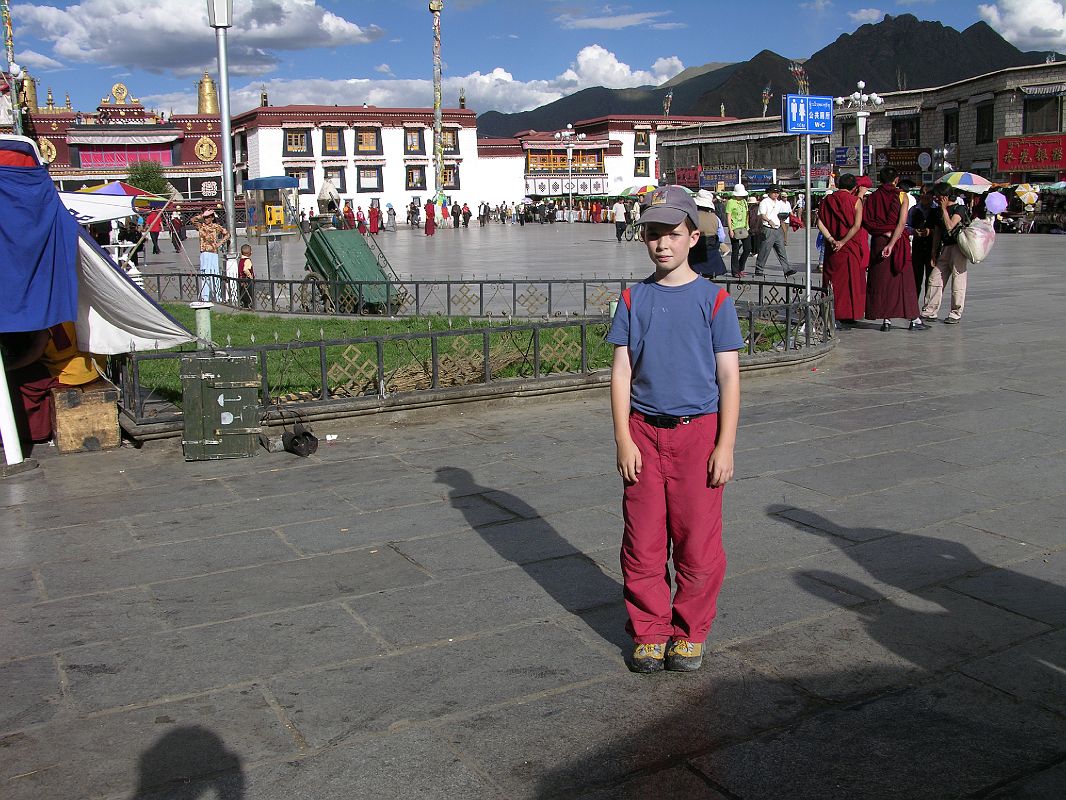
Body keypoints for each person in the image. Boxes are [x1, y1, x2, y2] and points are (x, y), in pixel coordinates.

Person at [607, 186, 744, 674]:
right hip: (643, 432)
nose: (661, 243)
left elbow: (728, 376)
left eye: (671, 233)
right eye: (652, 234)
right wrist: (623, 437)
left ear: (692, 237)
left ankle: (689, 631)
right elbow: (621, 371)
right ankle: (650, 629)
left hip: (698, 434)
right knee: (641, 540)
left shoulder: (715, 300)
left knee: (697, 541)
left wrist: (724, 446)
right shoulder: (632, 298)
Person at [3, 322, 101, 447]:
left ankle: (36, 432)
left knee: (19, 381)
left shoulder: (49, 321)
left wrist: (9, 367)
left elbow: (35, 353)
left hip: (73, 373)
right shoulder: (75, 311)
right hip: (95, 368)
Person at [863, 167, 927, 331]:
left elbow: (867, 222)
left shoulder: (872, 198)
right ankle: (913, 319)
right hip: (898, 242)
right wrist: (892, 243)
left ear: (880, 179)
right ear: (896, 180)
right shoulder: (901, 195)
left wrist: (883, 233)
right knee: (904, 282)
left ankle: (886, 320)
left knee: (882, 281)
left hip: (879, 242)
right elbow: (901, 222)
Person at [817, 175, 866, 327]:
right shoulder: (855, 201)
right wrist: (843, 242)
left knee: (833, 280)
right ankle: (849, 314)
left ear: (838, 185)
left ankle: (830, 312)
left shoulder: (827, 201)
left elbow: (819, 222)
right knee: (850, 280)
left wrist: (832, 239)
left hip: (833, 248)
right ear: (854, 188)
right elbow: (857, 226)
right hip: (849, 246)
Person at [921, 182, 972, 324]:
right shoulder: (936, 211)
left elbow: (950, 226)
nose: (936, 199)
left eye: (938, 196)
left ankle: (956, 312)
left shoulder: (959, 208)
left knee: (958, 280)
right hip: (945, 248)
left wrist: (944, 209)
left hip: (958, 248)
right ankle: (930, 310)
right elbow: (937, 232)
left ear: (945, 196)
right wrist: (933, 252)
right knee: (934, 278)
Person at [754, 186, 796, 277]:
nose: (776, 194)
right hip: (768, 228)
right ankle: (759, 269)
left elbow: (780, 214)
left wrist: (784, 218)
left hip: (778, 228)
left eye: (777, 193)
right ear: (769, 193)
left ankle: (787, 269)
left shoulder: (779, 203)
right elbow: (762, 214)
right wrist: (769, 221)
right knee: (765, 250)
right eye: (774, 192)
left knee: (782, 250)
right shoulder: (764, 202)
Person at [190, 209, 229, 302]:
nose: (206, 219)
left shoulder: (216, 227)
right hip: (204, 252)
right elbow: (192, 220)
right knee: (205, 274)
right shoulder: (200, 226)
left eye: (208, 217)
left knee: (215, 274)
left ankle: (217, 296)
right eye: (205, 217)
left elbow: (227, 234)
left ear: (212, 218)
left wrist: (220, 243)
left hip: (213, 252)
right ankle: (205, 296)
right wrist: (202, 215)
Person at [908, 186, 936, 305]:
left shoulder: (937, 210)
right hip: (918, 247)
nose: (925, 196)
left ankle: (928, 305)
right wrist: (913, 231)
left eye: (928, 193)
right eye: (922, 193)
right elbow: (906, 225)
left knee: (931, 278)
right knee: (916, 278)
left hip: (932, 248)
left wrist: (931, 231)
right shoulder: (914, 210)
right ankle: (913, 304)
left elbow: (943, 228)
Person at [725, 184, 751, 278]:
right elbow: (728, 216)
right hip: (734, 228)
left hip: (744, 228)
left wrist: (747, 226)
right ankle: (735, 271)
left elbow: (747, 214)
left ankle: (741, 267)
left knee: (748, 248)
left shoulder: (744, 201)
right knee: (735, 251)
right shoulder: (731, 202)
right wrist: (730, 229)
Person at [237, 244, 254, 309]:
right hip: (247, 280)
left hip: (241, 279)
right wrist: (250, 276)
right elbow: (245, 269)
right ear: (250, 252)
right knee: (249, 293)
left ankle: (243, 304)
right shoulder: (247, 260)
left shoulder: (241, 260)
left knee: (243, 292)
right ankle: (249, 305)